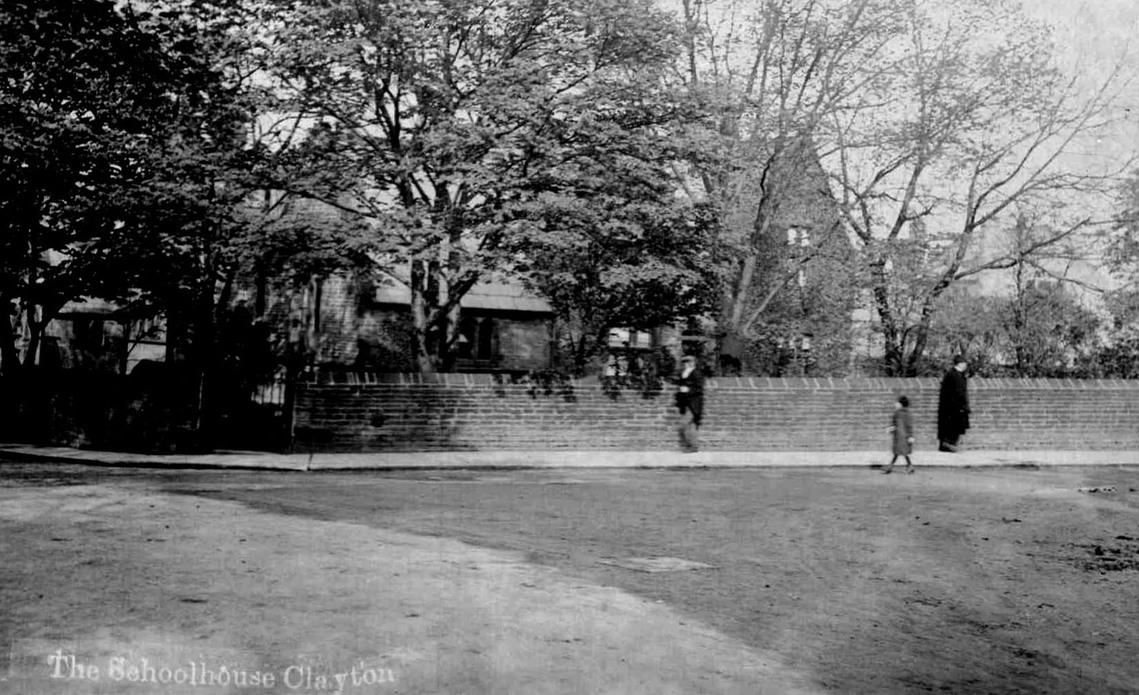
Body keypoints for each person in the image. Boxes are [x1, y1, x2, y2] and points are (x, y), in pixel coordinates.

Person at [938, 355, 970, 452]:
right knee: (953, 425)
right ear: (960, 364)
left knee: (957, 425)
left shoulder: (955, 374)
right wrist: (962, 404)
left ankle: (950, 443)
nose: (966, 365)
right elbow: (958, 392)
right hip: (954, 406)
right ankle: (949, 443)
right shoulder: (954, 375)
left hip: (954, 406)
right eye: (965, 363)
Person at [675, 354, 705, 453]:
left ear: (692, 363)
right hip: (686, 403)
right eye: (684, 362)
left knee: (684, 423)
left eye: (687, 362)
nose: (685, 364)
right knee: (690, 425)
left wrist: (688, 390)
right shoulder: (684, 373)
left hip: (694, 403)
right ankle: (692, 446)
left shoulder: (696, 373)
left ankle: (690, 446)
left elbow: (699, 389)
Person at [884, 395, 914, 474]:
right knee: (902, 452)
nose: (896, 404)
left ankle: (890, 466)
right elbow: (908, 425)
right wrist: (910, 435)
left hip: (901, 436)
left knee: (899, 452)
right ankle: (909, 466)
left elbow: (896, 424)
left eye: (897, 402)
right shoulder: (906, 414)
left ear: (901, 404)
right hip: (902, 436)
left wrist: (890, 429)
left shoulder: (898, 413)